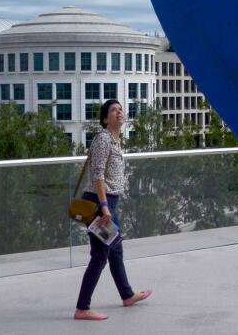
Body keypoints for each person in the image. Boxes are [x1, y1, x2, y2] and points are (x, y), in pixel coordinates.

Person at [74, 99, 152, 321]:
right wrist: (105, 206)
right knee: (100, 256)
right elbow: (97, 174)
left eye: (120, 109)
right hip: (100, 205)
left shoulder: (116, 141)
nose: (119, 112)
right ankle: (82, 308)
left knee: (115, 250)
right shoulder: (103, 139)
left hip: (107, 203)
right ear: (105, 119)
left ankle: (127, 295)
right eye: (113, 110)